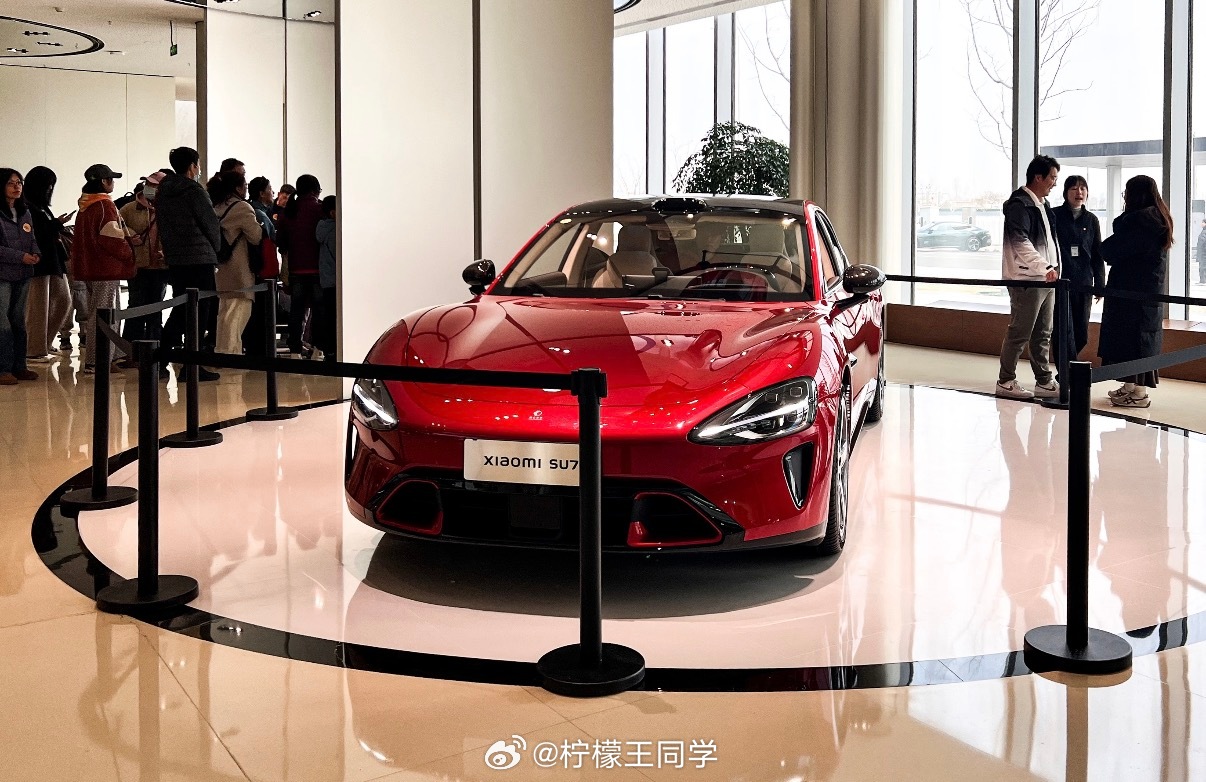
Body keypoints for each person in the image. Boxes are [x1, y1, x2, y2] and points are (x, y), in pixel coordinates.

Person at [1098, 175, 1173, 409]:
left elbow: (1110, 250)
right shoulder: (1158, 219)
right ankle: (1130, 386)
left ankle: (1139, 394)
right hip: (1145, 292)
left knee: (1131, 341)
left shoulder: (1139, 221)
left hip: (1131, 294)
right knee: (1138, 340)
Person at [996, 155, 1061, 400]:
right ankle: (1005, 380)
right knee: (1020, 332)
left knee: (1043, 333)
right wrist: (1045, 267)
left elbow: (1051, 242)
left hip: (1047, 278)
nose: (1054, 183)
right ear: (1038, 177)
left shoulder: (1043, 205)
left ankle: (1043, 380)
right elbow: (1020, 243)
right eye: (1052, 177)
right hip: (1027, 279)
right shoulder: (1020, 205)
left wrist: (1053, 269)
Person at [156, 146, 222, 381]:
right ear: (193, 166)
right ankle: (192, 365)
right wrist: (217, 249)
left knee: (181, 309)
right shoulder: (194, 191)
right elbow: (210, 223)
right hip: (200, 258)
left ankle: (160, 359)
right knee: (200, 311)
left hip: (177, 258)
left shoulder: (163, 192)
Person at [71, 163, 135, 373]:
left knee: (97, 312)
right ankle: (97, 361)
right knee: (106, 315)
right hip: (106, 268)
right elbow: (111, 238)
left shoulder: (85, 205)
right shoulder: (104, 205)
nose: (113, 183)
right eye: (111, 179)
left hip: (90, 267)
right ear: (104, 182)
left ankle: (108, 357)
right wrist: (129, 252)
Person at [1051, 175, 1105, 362]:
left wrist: (1100, 284)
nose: (1079, 192)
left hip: (1084, 281)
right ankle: (1066, 371)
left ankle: (1068, 368)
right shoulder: (1054, 215)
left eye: (1082, 188)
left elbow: (1097, 253)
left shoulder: (1091, 220)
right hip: (1061, 282)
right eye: (1074, 188)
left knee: (1081, 333)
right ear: (1065, 192)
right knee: (1062, 330)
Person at [21, 166, 73, 363]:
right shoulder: (26, 207)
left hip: (53, 261)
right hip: (39, 263)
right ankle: (33, 349)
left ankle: (43, 342)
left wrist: (56, 224)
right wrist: (56, 224)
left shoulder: (41, 206)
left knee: (63, 301)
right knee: (38, 308)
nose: (50, 188)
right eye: (48, 184)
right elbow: (34, 233)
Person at [209, 171, 262, 356]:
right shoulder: (241, 207)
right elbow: (256, 236)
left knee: (225, 314)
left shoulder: (215, 205)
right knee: (237, 315)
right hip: (239, 270)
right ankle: (231, 356)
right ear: (238, 188)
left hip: (221, 268)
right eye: (245, 185)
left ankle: (222, 352)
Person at [0, 168, 42, 385]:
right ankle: (3, 369)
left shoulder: (25, 211)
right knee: (2, 321)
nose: (17, 187)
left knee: (18, 320)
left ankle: (20, 366)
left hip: (23, 273)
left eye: (19, 182)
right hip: (3, 274)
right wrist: (20, 256)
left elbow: (31, 237)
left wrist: (35, 253)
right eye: (11, 183)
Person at [276, 175, 323, 356]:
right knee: (319, 311)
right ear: (315, 190)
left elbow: (281, 242)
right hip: (318, 269)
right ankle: (318, 349)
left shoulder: (289, 212)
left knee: (297, 310)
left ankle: (295, 349)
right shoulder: (319, 209)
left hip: (296, 269)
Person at [119, 182, 168, 348]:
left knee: (156, 308)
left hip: (160, 266)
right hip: (138, 265)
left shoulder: (165, 207)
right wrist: (131, 235)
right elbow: (118, 226)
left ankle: (154, 347)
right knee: (136, 306)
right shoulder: (128, 209)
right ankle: (130, 348)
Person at [314, 195, 337, 360]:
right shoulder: (335, 230)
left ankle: (329, 351)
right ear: (333, 212)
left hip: (326, 280)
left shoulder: (321, 228)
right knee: (335, 318)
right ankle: (334, 350)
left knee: (328, 316)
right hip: (336, 281)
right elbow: (339, 256)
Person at [1195, 217, 1206, 285]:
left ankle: (1203, 280)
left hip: (1203, 253)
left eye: (1203, 222)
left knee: (1202, 267)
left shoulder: (1204, 232)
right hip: (1203, 253)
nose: (1201, 224)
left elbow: (1202, 243)